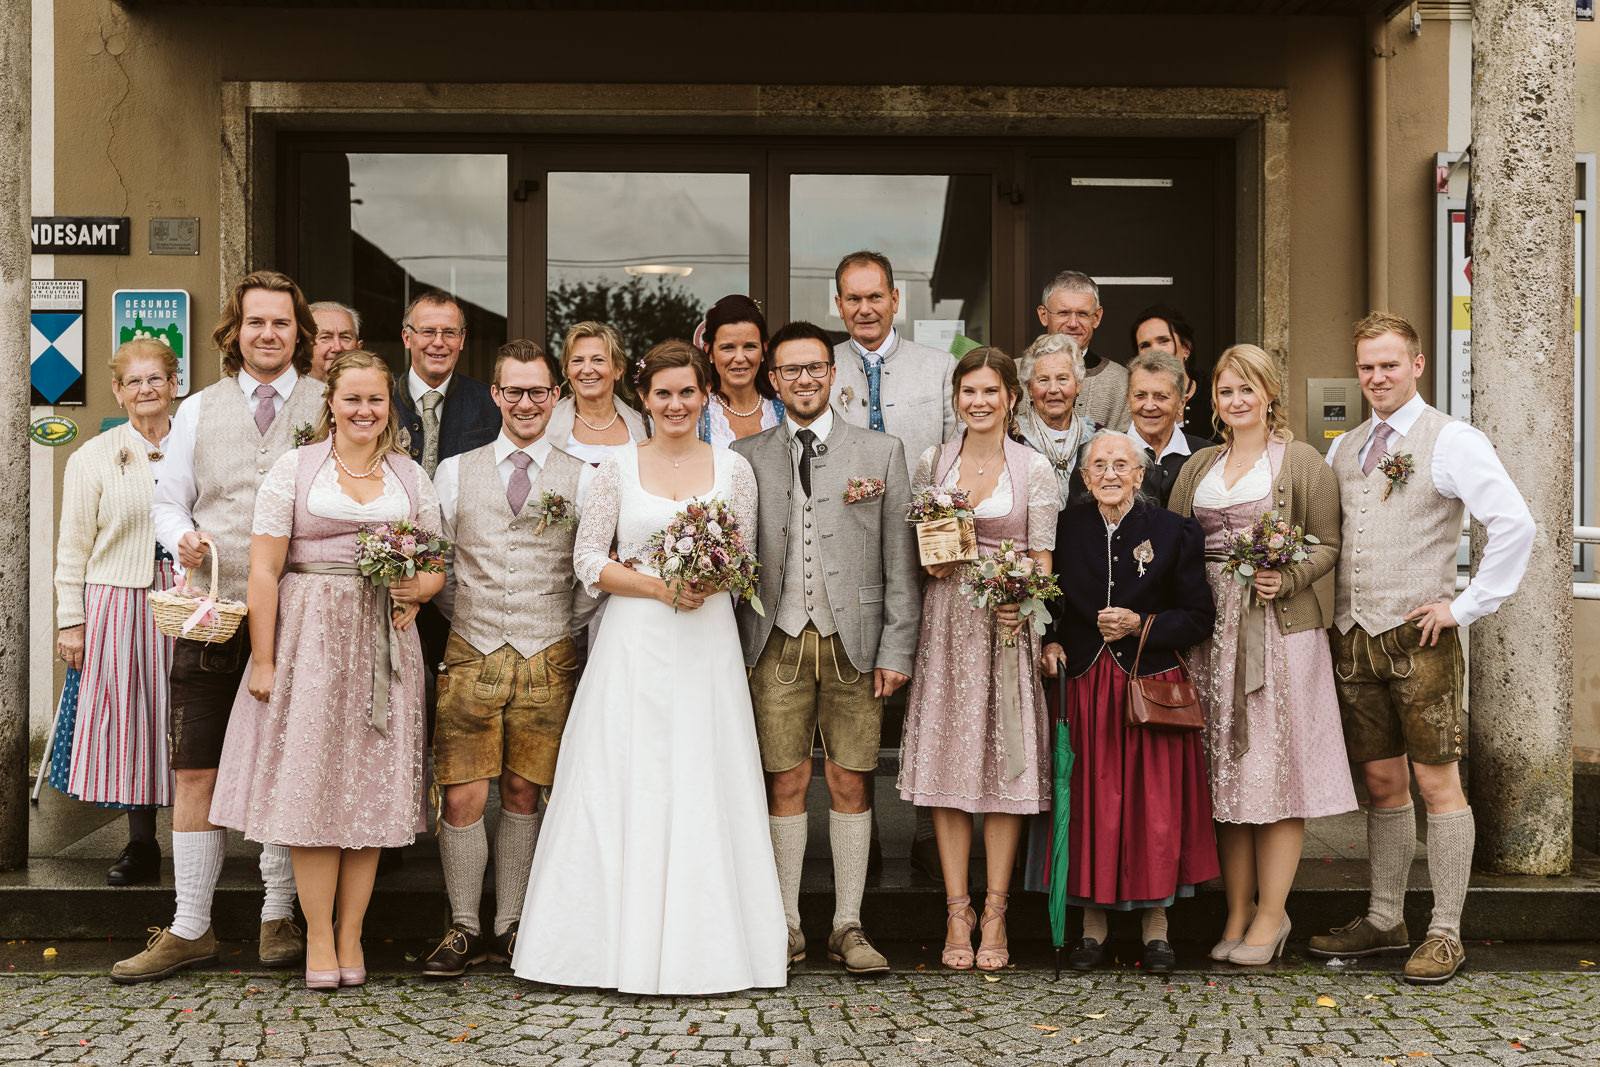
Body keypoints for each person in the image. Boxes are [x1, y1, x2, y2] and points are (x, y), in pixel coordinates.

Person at [512, 339, 785, 995]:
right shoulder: (616, 468)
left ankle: (711, 946)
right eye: (662, 392)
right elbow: (588, 560)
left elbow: (744, 559)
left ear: (705, 395)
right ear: (645, 397)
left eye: (687, 391)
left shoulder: (734, 470)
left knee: (703, 776)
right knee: (625, 778)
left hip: (706, 643)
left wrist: (709, 581)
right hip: (634, 640)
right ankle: (605, 947)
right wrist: (660, 587)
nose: (675, 403)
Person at [1307, 312, 1534, 984]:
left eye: (1389, 364)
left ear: (1417, 364)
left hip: (1421, 642)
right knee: (1381, 784)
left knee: (1437, 782)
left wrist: (1463, 605)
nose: (1377, 376)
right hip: (1356, 641)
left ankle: (1445, 930)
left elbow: (1513, 523)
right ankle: (1385, 916)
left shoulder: (1452, 440)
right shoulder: (1344, 447)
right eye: (1367, 366)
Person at [208, 350, 440, 989]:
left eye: (375, 401)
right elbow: (263, 569)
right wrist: (262, 656)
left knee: (368, 792)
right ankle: (314, 935)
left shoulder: (410, 477)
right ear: (330, 405)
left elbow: (437, 566)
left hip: (383, 648)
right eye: (352, 400)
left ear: (388, 406)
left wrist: (415, 589)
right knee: (311, 789)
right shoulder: (295, 468)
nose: (364, 411)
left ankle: (350, 934)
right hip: (307, 638)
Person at [120, 270, 323, 983]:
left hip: (301, 619)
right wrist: (184, 538)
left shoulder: (330, 404)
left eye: (281, 323)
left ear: (302, 333)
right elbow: (167, 502)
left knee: (285, 765)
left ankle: (277, 914)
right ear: (234, 332)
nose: (268, 334)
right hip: (211, 614)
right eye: (256, 322)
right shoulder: (200, 410)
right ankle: (190, 924)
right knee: (196, 765)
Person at [732, 321, 922, 977]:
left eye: (816, 367)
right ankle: (785, 922)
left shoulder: (881, 451)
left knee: (850, 778)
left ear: (831, 374)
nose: (806, 379)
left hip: (856, 644)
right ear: (774, 379)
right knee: (783, 779)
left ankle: (848, 922)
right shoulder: (744, 454)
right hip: (773, 641)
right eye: (792, 370)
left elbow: (902, 561)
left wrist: (898, 646)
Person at [1167, 344, 1357, 966]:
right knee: (1226, 774)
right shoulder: (1198, 466)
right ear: (1212, 400)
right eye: (1226, 390)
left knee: (1275, 774)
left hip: (1279, 634)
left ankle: (1274, 914)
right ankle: (1238, 908)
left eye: (1247, 388)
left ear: (1270, 393)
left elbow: (1328, 542)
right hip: (1210, 637)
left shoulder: (1301, 462)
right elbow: (1174, 546)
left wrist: (1290, 577)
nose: (1237, 400)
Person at [420, 340, 595, 978]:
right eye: (514, 391)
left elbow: (588, 577)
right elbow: (436, 564)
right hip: (469, 650)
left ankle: (512, 922)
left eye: (539, 392)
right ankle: (464, 925)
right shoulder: (453, 471)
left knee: (525, 791)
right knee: (462, 794)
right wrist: (473, 620)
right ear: (495, 394)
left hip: (550, 654)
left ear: (557, 397)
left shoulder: (585, 478)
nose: (526, 403)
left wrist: (552, 627)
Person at [897, 347, 1058, 972]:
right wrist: (931, 557)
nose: (980, 402)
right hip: (946, 625)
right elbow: (919, 551)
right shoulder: (934, 462)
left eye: (991, 391)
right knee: (949, 766)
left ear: (1011, 397)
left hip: (1006, 628)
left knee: (1002, 768)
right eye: (969, 392)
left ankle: (995, 910)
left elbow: (1043, 560)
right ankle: (955, 908)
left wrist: (1027, 606)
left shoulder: (1034, 468)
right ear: (955, 398)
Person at [1041, 433, 1218, 975]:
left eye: (1122, 464)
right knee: (1093, 805)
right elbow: (1050, 601)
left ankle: (1157, 930)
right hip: (1087, 684)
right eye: (1099, 465)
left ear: (1140, 476)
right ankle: (1091, 930)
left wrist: (1144, 624)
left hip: (1151, 688)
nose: (1111, 474)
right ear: (1085, 476)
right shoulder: (1065, 528)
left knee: (1153, 808)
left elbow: (1200, 616)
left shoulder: (1173, 530)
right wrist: (1051, 640)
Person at [828, 250, 957, 880]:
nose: (864, 309)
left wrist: (948, 545)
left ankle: (933, 834)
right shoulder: (826, 367)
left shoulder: (938, 370)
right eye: (852, 299)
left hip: (929, 554)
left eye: (874, 297)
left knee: (930, 692)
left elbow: (960, 459)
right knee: (859, 694)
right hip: (851, 559)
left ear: (895, 300)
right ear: (837, 304)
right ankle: (866, 835)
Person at [50, 338, 181, 886]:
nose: (146, 389)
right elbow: (72, 546)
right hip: (118, 602)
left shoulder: (197, 447)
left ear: (175, 384)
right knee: (133, 721)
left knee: (190, 715)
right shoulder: (93, 456)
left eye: (156, 379)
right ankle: (142, 845)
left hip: (191, 599)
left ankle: (209, 843)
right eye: (135, 382)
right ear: (118, 391)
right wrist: (70, 621)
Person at [391, 289, 499, 478]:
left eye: (449, 332)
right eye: (428, 332)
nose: (439, 342)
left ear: (462, 339)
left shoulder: (491, 403)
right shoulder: (381, 398)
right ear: (407, 338)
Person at [1038, 271, 1129, 432]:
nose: (1073, 323)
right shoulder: (1015, 374)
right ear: (1044, 315)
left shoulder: (1121, 381)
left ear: (1097, 317)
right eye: (1063, 313)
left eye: (1082, 314)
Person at [545, 320, 647, 464]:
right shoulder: (545, 423)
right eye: (577, 361)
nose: (586, 370)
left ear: (618, 369)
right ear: (567, 370)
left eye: (598, 360)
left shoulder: (645, 428)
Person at [1016, 331, 1097, 509]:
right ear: (1029, 388)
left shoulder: (1098, 439)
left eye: (1062, 379)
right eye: (1043, 380)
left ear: (1078, 384)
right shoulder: (1011, 437)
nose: (1053, 389)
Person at [1125, 350, 1211, 507]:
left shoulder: (1208, 456)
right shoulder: (1099, 453)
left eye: (1161, 396)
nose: (1149, 406)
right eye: (1140, 395)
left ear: (1181, 403)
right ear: (1128, 398)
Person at [699, 294, 785, 446]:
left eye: (750, 346)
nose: (739, 358)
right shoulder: (696, 412)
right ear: (710, 352)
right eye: (728, 348)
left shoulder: (784, 408)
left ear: (764, 350)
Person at [1131, 303, 1213, 438]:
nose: (1155, 350)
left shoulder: (1213, 396)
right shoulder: (1133, 402)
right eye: (1145, 345)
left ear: (1186, 348)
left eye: (1164, 341)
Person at [308, 301, 361, 382]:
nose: (337, 348)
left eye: (345, 337)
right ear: (304, 346)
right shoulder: (288, 392)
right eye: (325, 337)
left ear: (358, 348)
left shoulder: (376, 390)